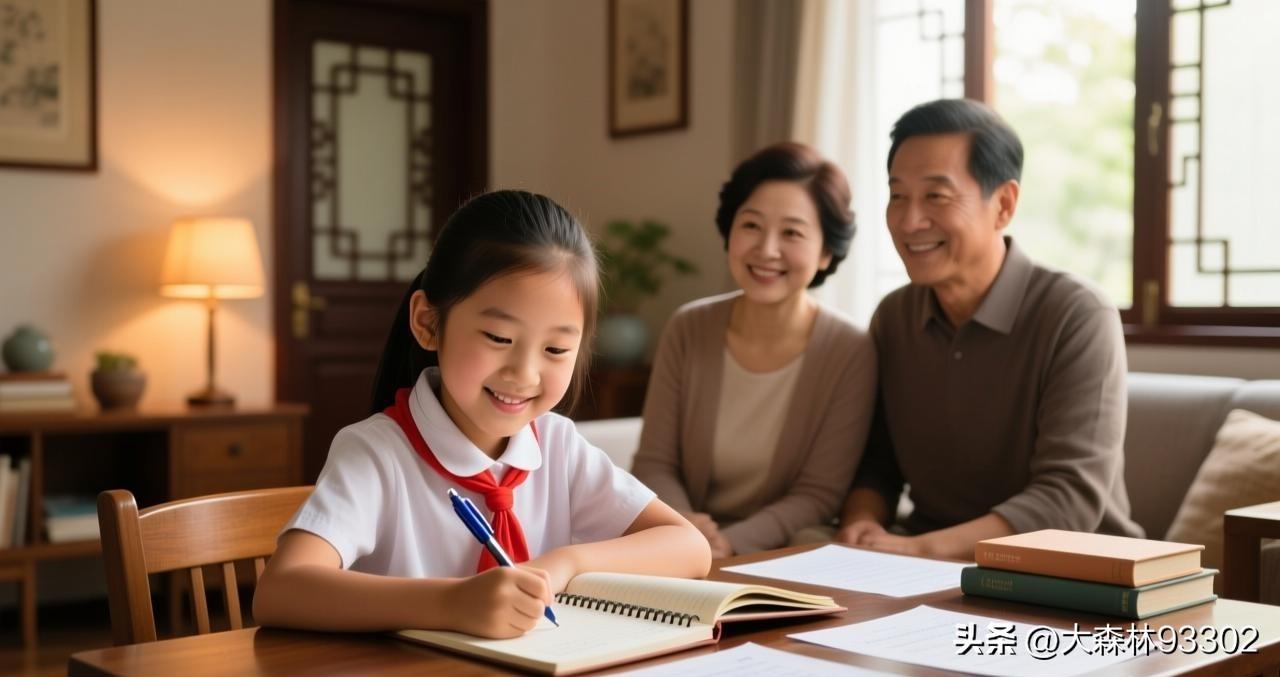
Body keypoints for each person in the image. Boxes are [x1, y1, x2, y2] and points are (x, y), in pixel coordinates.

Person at [254, 190, 711, 638]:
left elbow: (689, 546)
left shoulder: (557, 444)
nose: (524, 373)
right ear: (429, 323)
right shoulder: (376, 452)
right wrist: (451, 603)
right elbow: (280, 590)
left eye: (555, 349)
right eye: (498, 337)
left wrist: (564, 564)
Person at [836, 99, 1142, 560]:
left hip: (1079, 575)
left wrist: (920, 549)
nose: (909, 220)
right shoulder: (894, 316)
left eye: (936, 196)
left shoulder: (1078, 314)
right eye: (897, 195)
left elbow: (1069, 498)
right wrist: (862, 522)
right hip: (922, 572)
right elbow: (878, 462)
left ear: (1003, 204)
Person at [631, 143, 877, 558]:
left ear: (826, 252)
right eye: (751, 226)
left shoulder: (851, 349)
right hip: (684, 539)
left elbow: (819, 493)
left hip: (783, 550)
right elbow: (655, 463)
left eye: (792, 233)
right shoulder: (688, 327)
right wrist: (685, 527)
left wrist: (730, 543)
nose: (766, 249)